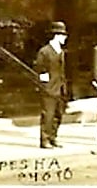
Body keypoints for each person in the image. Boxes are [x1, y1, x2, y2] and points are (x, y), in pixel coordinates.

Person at [34, 21, 69, 149]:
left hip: (60, 88)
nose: (65, 38)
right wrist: (46, 86)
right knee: (48, 114)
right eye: (63, 36)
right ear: (56, 36)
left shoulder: (61, 51)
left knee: (58, 115)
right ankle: (45, 140)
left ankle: (53, 137)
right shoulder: (45, 51)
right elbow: (40, 70)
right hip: (49, 89)